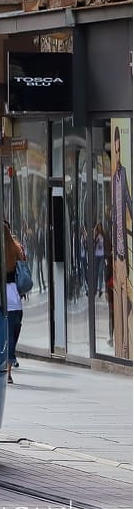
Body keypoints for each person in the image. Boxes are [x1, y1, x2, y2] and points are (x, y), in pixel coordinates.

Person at [111, 127, 132, 357]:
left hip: (122, 249)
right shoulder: (112, 177)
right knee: (117, 298)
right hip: (115, 249)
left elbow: (127, 199)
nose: (117, 155)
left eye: (118, 149)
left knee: (125, 296)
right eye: (115, 150)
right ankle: (120, 346)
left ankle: (126, 347)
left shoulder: (123, 174)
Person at [3, 220, 26, 384]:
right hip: (15, 298)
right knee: (13, 334)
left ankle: (3, 366)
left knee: (3, 336)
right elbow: (24, 268)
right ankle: (9, 370)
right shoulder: (16, 248)